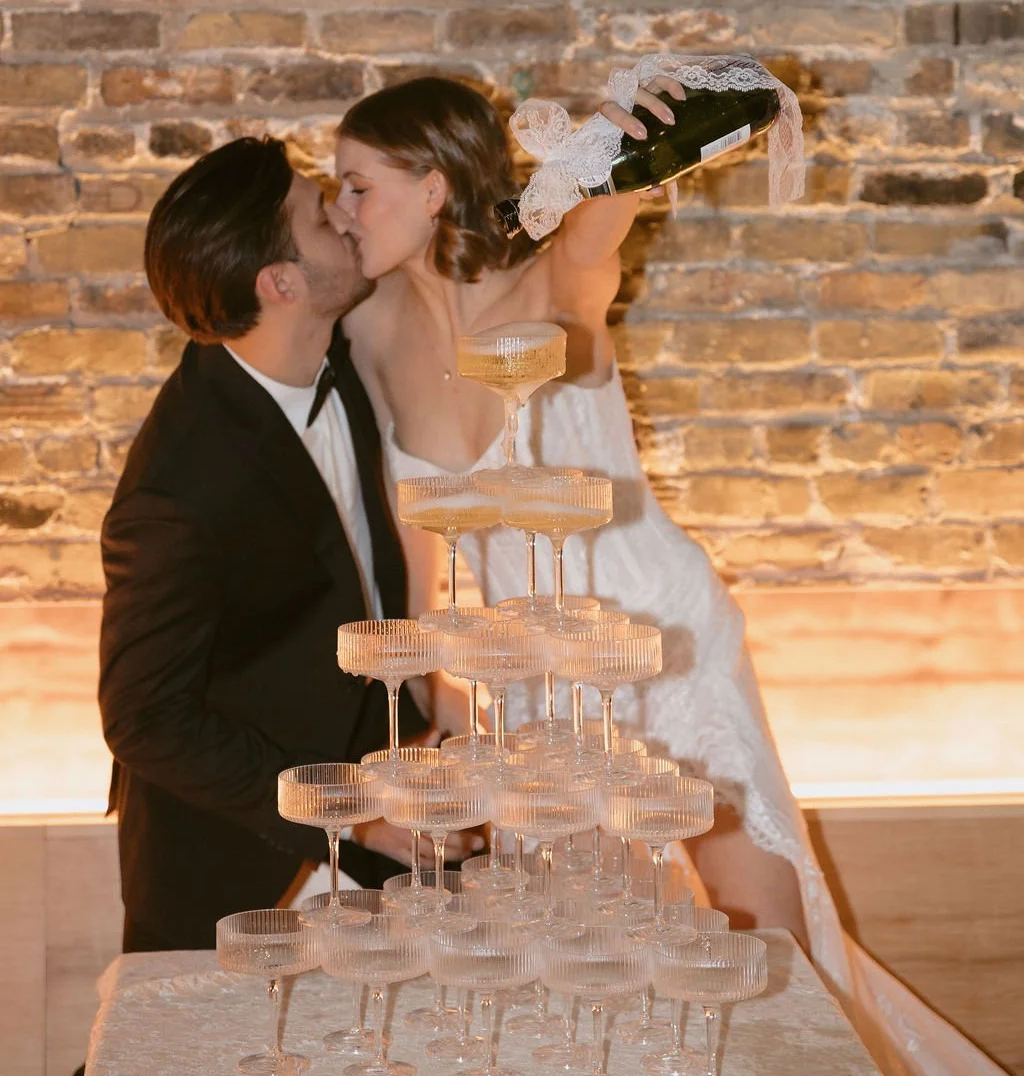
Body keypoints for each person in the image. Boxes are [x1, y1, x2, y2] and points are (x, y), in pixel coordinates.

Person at [333, 75, 1003, 1076]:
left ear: (432, 188)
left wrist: (617, 137)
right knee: (582, 958)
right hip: (531, 682)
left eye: (356, 187)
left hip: (665, 642)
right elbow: (424, 552)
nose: (340, 211)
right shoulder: (371, 327)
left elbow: (605, 210)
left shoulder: (555, 280)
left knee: (758, 941)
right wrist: (444, 697)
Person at [98, 135, 475, 954]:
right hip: (236, 868)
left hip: (387, 823)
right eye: (320, 213)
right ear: (281, 284)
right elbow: (146, 718)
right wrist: (351, 812)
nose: (345, 215)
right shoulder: (178, 491)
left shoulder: (335, 349)